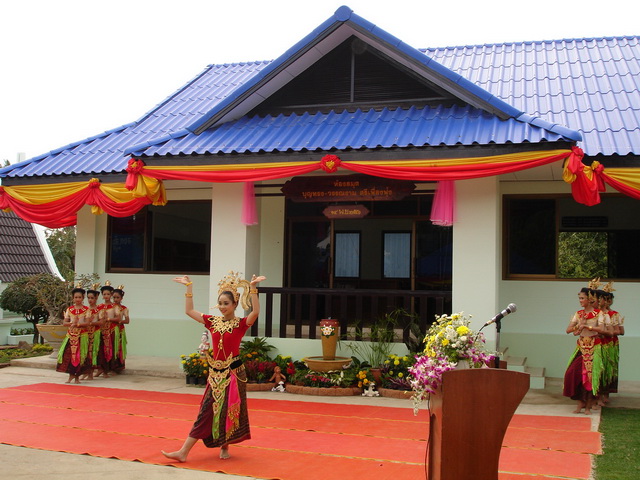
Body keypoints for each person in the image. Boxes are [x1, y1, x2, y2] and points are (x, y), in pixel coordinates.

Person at [162, 271, 265, 462]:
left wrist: (253, 289)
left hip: (234, 373)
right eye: (220, 303)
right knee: (207, 411)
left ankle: (224, 446)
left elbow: (255, 312)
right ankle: (183, 452)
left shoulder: (240, 324)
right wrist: (189, 288)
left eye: (226, 303)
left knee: (228, 410)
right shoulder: (212, 321)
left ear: (235, 304)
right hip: (215, 374)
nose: (222, 307)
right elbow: (189, 311)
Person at [563, 280, 612, 414]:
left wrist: (587, 326)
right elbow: (568, 330)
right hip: (581, 348)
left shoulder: (598, 314)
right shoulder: (578, 314)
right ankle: (580, 403)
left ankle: (588, 406)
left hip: (594, 347)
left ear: (590, 299)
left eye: (582, 298)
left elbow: (602, 329)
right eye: (579, 298)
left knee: (590, 377)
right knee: (573, 373)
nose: (580, 300)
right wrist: (579, 326)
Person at [56, 287, 89, 384]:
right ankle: (71, 376)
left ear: (83, 298)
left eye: (79, 297)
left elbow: (87, 323)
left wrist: (78, 324)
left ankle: (77, 377)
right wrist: (71, 323)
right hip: (71, 336)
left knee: (79, 356)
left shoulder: (86, 310)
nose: (77, 299)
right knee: (69, 356)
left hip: (81, 336)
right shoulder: (69, 309)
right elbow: (64, 323)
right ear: (73, 298)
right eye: (76, 297)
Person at [80, 283, 103, 380]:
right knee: (85, 352)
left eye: (92, 298)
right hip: (85, 333)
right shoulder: (85, 309)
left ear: (96, 297)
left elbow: (101, 322)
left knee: (93, 353)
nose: (90, 300)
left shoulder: (99, 310)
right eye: (88, 298)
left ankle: (91, 373)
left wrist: (91, 323)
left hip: (95, 333)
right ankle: (85, 371)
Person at [96, 282, 116, 378]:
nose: (106, 296)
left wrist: (108, 319)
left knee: (109, 350)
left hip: (110, 330)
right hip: (100, 331)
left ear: (111, 295)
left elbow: (118, 318)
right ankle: (100, 369)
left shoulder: (115, 306)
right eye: (104, 294)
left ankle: (107, 370)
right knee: (100, 350)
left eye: (108, 294)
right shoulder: (99, 306)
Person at [111, 285, 129, 373]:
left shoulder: (124, 308)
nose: (115, 299)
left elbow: (127, 321)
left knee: (118, 347)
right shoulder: (110, 307)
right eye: (114, 297)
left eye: (117, 297)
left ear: (121, 298)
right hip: (110, 329)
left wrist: (120, 321)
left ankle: (118, 367)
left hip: (119, 330)